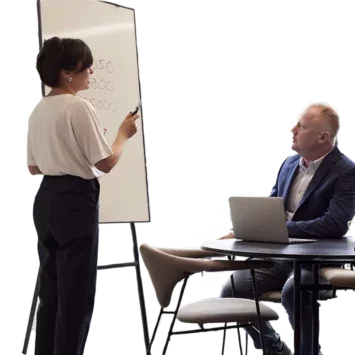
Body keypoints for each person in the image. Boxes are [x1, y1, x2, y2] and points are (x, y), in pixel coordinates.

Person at [26, 36, 139, 355]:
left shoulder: (39, 110)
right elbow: (105, 161)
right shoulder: (78, 106)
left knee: (53, 295)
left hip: (46, 200)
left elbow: (34, 167)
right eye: (85, 66)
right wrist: (121, 135)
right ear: (66, 73)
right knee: (75, 299)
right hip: (75, 202)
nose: (91, 70)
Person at [217, 101, 355, 355]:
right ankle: (275, 348)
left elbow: (334, 224)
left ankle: (307, 352)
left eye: (300, 126)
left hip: (319, 262)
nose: (292, 130)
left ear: (323, 137)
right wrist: (245, 226)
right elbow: (273, 204)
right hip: (279, 257)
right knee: (232, 289)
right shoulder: (289, 163)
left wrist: (284, 228)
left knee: (295, 291)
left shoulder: (346, 171)